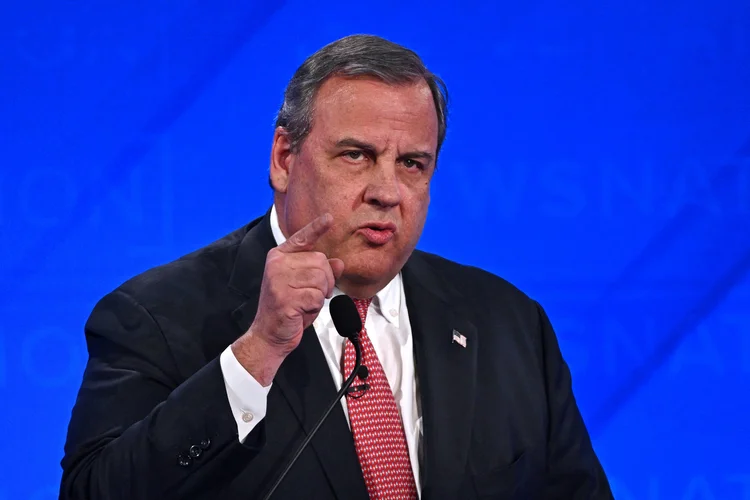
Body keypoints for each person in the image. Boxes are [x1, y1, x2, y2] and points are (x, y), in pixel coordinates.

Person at [60, 34, 613, 499]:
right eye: (357, 155)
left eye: (413, 164)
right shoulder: (155, 316)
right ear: (284, 158)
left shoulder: (508, 324)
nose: (387, 191)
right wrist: (256, 355)